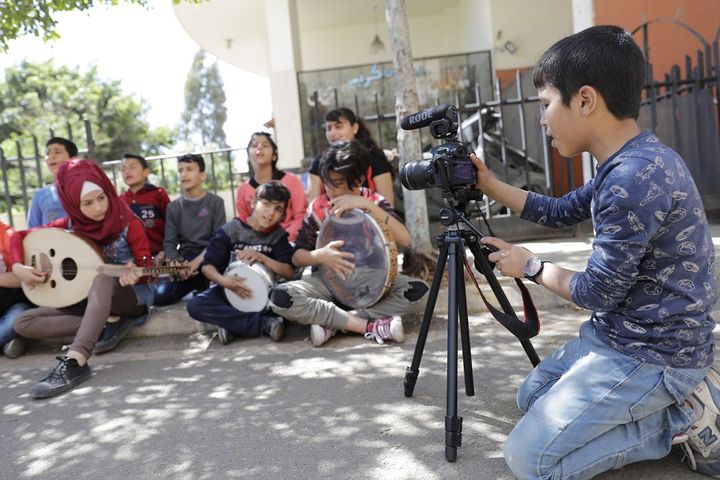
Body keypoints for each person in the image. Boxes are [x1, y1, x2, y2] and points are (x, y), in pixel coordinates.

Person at [467, 25, 719, 479]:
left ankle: (681, 420)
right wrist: (487, 183)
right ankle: (661, 404)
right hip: (617, 337)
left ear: (585, 100)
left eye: (546, 105)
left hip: (654, 356)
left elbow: (595, 292)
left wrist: (530, 266)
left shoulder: (632, 179)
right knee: (531, 398)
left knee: (529, 459)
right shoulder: (630, 161)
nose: (542, 119)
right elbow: (558, 209)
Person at [9, 159, 154, 398]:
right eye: (87, 203)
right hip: (90, 303)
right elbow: (18, 236)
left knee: (104, 275)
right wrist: (18, 266)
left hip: (131, 298)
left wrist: (136, 274)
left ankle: (76, 361)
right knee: (23, 322)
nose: (98, 208)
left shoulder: (127, 222)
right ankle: (103, 324)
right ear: (73, 204)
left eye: (101, 197)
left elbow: (146, 270)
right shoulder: (68, 224)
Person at [269, 141, 429, 347]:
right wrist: (319, 256)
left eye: (336, 183)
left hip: (372, 282)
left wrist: (366, 205)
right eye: (327, 182)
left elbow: (405, 240)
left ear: (359, 179)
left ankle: (334, 322)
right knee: (279, 297)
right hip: (328, 282)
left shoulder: (374, 201)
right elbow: (297, 256)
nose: (330, 189)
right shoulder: (318, 207)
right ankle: (369, 326)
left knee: (420, 293)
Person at [188, 180, 295, 344]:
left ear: (283, 215)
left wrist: (261, 257)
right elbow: (207, 266)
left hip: (266, 296)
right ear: (253, 202)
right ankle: (263, 324)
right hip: (229, 290)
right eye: (266, 204)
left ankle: (232, 325)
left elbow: (288, 272)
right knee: (195, 305)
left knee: (287, 300)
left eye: (278, 209)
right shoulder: (230, 230)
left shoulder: (278, 236)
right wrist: (225, 281)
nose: (271, 212)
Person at [155, 153, 226, 306]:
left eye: (189, 169)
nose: (184, 174)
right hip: (185, 260)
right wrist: (177, 265)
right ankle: (197, 285)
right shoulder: (173, 207)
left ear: (202, 175)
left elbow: (218, 240)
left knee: (221, 291)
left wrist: (195, 264)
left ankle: (203, 286)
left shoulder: (216, 203)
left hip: (210, 257)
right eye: (180, 170)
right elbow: (169, 243)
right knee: (160, 296)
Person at [307, 107, 395, 207]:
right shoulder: (318, 163)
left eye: (338, 127)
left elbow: (388, 205)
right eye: (328, 128)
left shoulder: (375, 158)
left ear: (354, 128)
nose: (332, 133)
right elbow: (313, 206)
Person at [235, 132, 307, 243]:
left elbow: (301, 215)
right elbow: (243, 223)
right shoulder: (242, 189)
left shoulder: (291, 180)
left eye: (265, 145)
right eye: (254, 145)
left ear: (274, 155)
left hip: (288, 241)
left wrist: (284, 239)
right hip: (256, 245)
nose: (259, 147)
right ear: (248, 156)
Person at [120, 153, 171, 261]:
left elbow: (171, 225)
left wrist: (165, 250)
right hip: (132, 259)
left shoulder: (158, 194)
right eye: (123, 169)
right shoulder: (121, 199)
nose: (127, 171)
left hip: (159, 256)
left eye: (132, 167)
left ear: (146, 172)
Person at [26, 137, 76, 227]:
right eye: (47, 153)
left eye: (57, 152)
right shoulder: (40, 196)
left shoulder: (85, 188)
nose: (51, 156)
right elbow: (32, 231)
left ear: (73, 158)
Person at [0, 221, 32, 358]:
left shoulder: (7, 236)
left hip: (14, 303)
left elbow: (24, 278)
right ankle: (14, 341)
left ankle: (15, 337)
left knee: (10, 325)